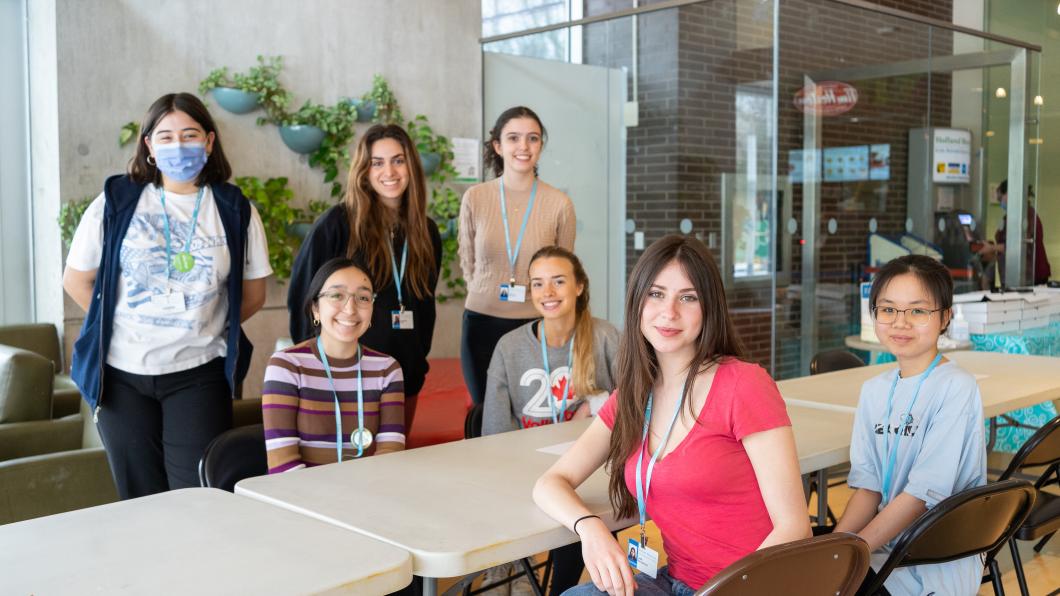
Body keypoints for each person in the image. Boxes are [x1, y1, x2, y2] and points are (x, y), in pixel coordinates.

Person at [533, 235, 810, 596]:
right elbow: (550, 483)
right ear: (637, 301)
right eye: (656, 293)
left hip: (753, 587)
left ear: (709, 307)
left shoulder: (743, 384)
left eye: (688, 297)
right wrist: (591, 530)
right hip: (677, 583)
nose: (669, 312)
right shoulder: (632, 396)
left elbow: (794, 527)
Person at [63, 92, 271, 500]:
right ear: (149, 147)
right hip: (122, 377)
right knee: (139, 497)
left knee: (197, 495)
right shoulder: (116, 202)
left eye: (190, 135)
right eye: (166, 136)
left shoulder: (232, 208)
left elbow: (254, 293)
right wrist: (121, 322)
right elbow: (76, 280)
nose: (179, 146)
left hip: (198, 374)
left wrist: (200, 323)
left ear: (210, 142)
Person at [831, 254, 986, 595]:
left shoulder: (956, 387)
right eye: (888, 309)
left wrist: (851, 555)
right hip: (883, 546)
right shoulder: (873, 391)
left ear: (945, 316)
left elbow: (920, 495)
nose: (900, 323)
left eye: (917, 311)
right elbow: (868, 487)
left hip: (934, 558)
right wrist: (835, 548)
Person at [482, 246, 620, 595]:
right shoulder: (509, 347)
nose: (548, 292)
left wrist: (598, 403)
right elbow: (495, 431)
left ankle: (559, 589)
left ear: (579, 287)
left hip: (589, 472)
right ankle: (514, 574)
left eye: (559, 281)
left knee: (582, 511)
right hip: (523, 474)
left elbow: (636, 403)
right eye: (539, 284)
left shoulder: (606, 337)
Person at [288, 124, 440, 433]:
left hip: (402, 378)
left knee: (390, 469)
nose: (390, 171)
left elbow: (425, 303)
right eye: (377, 162)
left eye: (398, 160)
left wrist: (415, 355)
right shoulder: (338, 224)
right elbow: (303, 297)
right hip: (343, 377)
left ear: (411, 165)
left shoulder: (426, 231)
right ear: (364, 171)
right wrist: (317, 367)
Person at [459, 106, 576, 412]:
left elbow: (564, 271)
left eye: (532, 138)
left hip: (537, 324)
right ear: (498, 146)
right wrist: (487, 292)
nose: (523, 147)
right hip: (482, 322)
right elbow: (467, 260)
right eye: (513, 138)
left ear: (540, 146)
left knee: (533, 412)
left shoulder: (559, 203)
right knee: (487, 411)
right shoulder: (476, 197)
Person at [264, 258, 405, 473]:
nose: (350, 309)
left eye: (363, 297)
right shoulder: (287, 366)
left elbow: (391, 456)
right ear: (315, 309)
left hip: (369, 496)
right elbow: (283, 466)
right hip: (299, 499)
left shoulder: (387, 369)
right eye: (337, 295)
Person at [979, 180, 1051, 287]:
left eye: (1000, 198)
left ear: (1009, 194)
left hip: (1029, 278)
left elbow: (1020, 245)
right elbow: (1002, 239)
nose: (1000, 203)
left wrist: (992, 248)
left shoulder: (1027, 216)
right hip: (1013, 276)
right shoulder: (1009, 217)